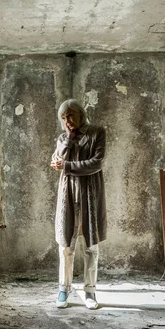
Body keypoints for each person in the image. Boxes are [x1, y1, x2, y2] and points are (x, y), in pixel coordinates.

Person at [50, 99, 107, 309]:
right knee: (66, 245)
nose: (68, 121)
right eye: (64, 118)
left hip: (90, 194)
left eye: (71, 116)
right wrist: (67, 142)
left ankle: (90, 292)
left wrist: (66, 165)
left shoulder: (97, 133)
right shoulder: (63, 137)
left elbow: (96, 163)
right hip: (67, 195)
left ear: (81, 114)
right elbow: (56, 159)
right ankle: (63, 289)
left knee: (91, 246)